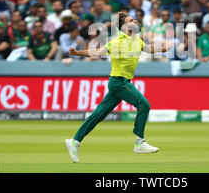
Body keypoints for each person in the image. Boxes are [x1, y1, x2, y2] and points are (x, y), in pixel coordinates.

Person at [65, 12, 173, 163]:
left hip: (121, 83)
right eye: (131, 20)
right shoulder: (117, 42)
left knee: (99, 114)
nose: (135, 20)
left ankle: (75, 141)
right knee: (144, 104)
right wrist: (78, 53)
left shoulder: (137, 40)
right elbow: (98, 52)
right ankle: (139, 142)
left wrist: (162, 49)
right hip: (119, 82)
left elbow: (149, 49)